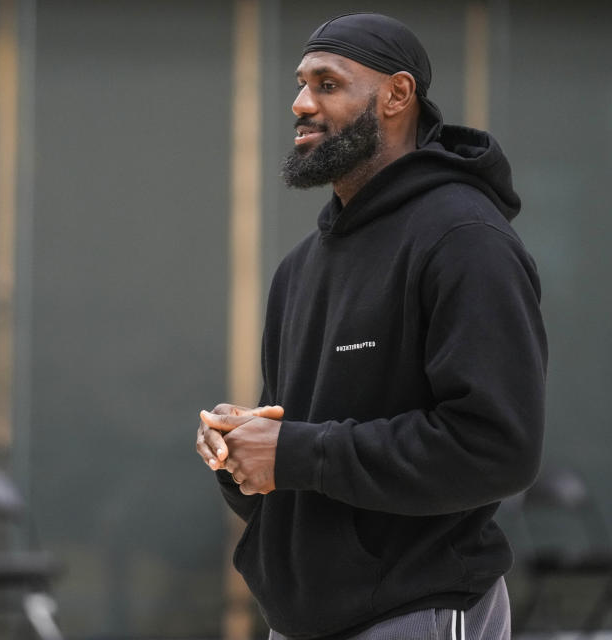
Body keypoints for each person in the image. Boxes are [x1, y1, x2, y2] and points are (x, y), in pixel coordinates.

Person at [196, 13, 546, 640]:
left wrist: (296, 452)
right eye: (301, 85)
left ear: (397, 95)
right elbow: (298, 464)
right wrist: (242, 457)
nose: (301, 103)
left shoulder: (464, 240)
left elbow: (496, 448)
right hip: (299, 621)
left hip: (416, 612)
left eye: (327, 85)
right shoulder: (299, 269)